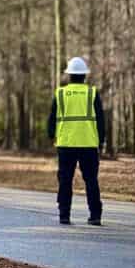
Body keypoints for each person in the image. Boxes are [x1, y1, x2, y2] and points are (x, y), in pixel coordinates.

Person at [47, 56, 105, 226]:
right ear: (84, 75)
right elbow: (101, 120)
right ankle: (95, 215)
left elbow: (51, 119)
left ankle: (64, 215)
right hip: (88, 144)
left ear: (69, 75)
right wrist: (101, 141)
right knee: (91, 180)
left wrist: (52, 135)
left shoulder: (61, 93)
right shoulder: (92, 93)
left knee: (65, 180)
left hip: (66, 144)